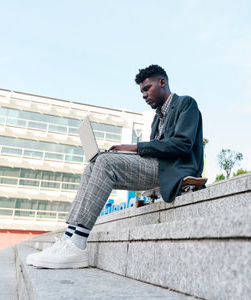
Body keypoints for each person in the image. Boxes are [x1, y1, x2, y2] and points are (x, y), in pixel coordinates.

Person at [28, 65, 204, 269]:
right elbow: (155, 150)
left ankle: (78, 244)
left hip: (176, 169)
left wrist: (135, 147)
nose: (144, 95)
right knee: (95, 163)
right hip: (158, 167)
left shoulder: (186, 103)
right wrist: (128, 152)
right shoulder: (157, 118)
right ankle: (69, 238)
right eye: (142, 91)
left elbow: (182, 144)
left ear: (162, 82)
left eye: (147, 88)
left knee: (105, 161)